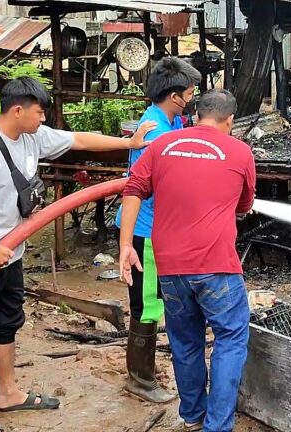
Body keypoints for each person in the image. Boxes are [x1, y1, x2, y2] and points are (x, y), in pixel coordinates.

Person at [0, 77, 157, 432]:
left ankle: (9, 393)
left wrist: (129, 143)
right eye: (39, 112)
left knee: (6, 324)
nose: (43, 119)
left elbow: (78, 139)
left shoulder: (32, 137)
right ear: (17, 110)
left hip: (10, 254)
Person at [119, 89, 255, 432]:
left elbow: (132, 189)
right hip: (217, 266)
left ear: (195, 115)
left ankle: (193, 416)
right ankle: (217, 426)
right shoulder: (240, 151)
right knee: (230, 339)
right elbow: (244, 205)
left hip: (171, 268)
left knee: (185, 342)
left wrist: (126, 246)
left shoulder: (162, 145)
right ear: (230, 120)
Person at [115, 56, 202, 403]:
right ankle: (140, 379)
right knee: (147, 303)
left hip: (161, 228)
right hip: (145, 231)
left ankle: (146, 371)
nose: (193, 98)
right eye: (190, 93)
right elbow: (141, 188)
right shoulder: (154, 133)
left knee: (157, 299)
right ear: (174, 96)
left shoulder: (171, 120)